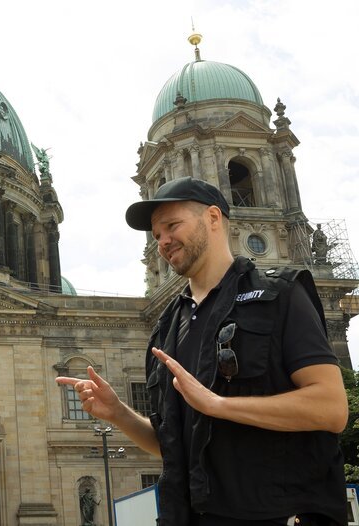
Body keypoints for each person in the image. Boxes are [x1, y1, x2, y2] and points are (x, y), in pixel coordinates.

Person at [57, 177, 348, 526]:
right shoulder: (166, 329)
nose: (163, 241)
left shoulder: (281, 294)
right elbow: (175, 448)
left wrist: (219, 406)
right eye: (156, 235)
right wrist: (119, 413)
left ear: (212, 218)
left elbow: (331, 409)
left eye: (172, 226)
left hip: (276, 515)